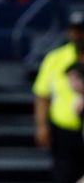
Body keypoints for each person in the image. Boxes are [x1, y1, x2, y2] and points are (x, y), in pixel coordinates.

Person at [33, 10, 84, 183]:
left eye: (82, 30)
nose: (78, 35)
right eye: (75, 30)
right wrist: (41, 126)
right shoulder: (55, 58)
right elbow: (42, 95)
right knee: (63, 175)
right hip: (64, 131)